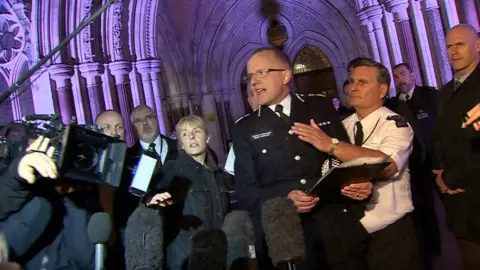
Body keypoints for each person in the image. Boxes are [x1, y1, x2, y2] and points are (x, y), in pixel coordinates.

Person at [233, 47, 372, 270]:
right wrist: (285, 199)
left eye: (262, 72)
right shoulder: (245, 128)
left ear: (286, 75)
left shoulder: (320, 106)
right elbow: (247, 191)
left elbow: (345, 158)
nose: (254, 82)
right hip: (290, 241)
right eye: (250, 76)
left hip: (335, 228)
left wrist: (359, 183)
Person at [292, 58, 419, 270]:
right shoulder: (342, 126)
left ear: (382, 90)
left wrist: (331, 145)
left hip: (390, 234)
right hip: (350, 232)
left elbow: (387, 165)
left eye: (362, 82)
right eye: (351, 82)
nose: (353, 88)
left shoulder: (396, 124)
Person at [147, 115, 231, 270]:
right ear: (181, 145)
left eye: (197, 131)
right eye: (185, 134)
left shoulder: (218, 174)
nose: (192, 136)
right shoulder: (173, 168)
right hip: (186, 258)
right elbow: (153, 194)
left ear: (207, 137)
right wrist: (153, 201)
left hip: (217, 257)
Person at [0, 136, 95, 269]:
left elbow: (87, 260)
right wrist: (20, 173)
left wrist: (71, 194)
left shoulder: (73, 201)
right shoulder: (24, 200)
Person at [433, 24, 480, 270]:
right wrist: (439, 175)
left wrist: (453, 178)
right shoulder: (443, 93)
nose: (453, 51)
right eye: (449, 46)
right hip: (457, 204)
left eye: (460, 44)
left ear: (478, 46)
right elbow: (440, 137)